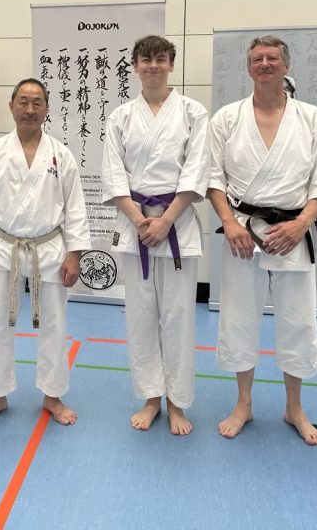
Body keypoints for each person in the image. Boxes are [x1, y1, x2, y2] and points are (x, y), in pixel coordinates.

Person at [207, 35, 317, 445]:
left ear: (286, 66)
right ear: (248, 68)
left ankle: (294, 408)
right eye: (257, 59)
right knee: (238, 317)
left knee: (297, 321)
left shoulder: (312, 118)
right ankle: (243, 403)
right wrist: (229, 223)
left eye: (272, 58)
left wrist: (301, 224)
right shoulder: (227, 118)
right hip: (242, 232)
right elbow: (212, 179)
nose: (264, 64)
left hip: (292, 232)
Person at [101, 35, 210, 436]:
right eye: (145, 59)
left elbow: (197, 170)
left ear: (171, 65)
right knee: (141, 316)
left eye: (160, 59)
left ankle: (177, 402)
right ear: (134, 65)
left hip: (177, 225)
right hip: (136, 229)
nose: (153, 65)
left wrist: (166, 220)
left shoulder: (193, 112)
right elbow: (113, 173)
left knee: (178, 317)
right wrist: (139, 219)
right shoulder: (120, 117)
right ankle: (151, 397)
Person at [0, 78, 90, 426]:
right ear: (11, 106)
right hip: (4, 248)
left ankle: (53, 395)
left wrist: (75, 254)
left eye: (37, 102)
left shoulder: (60, 154)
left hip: (49, 248)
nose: (30, 109)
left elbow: (75, 207)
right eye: (23, 101)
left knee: (54, 324)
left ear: (47, 109)